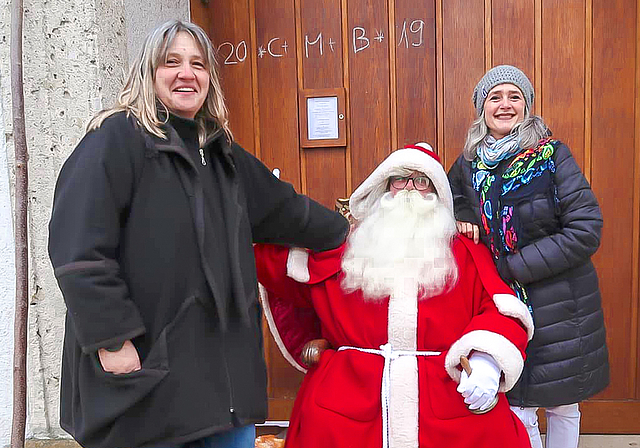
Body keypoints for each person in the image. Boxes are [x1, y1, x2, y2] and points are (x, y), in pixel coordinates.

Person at [48, 20, 349, 448]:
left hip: (223, 392)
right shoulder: (116, 139)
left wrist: (354, 232)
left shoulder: (221, 153)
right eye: (172, 62)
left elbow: (288, 210)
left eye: (198, 64)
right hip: (148, 385)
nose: (186, 73)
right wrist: (112, 340)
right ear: (149, 72)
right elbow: (78, 251)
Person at [254, 143, 534, 448]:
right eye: (400, 178)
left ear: (437, 192)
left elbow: (501, 309)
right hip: (353, 396)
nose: (410, 188)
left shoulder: (465, 252)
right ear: (384, 186)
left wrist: (486, 359)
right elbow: (277, 268)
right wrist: (270, 212)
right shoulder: (347, 248)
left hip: (443, 393)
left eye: (422, 180)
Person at [447, 65, 610, 448]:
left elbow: (585, 228)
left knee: (562, 405)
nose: (505, 105)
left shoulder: (551, 155)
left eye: (514, 97)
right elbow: (450, 196)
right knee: (517, 404)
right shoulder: (469, 165)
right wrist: (464, 215)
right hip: (505, 305)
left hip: (562, 303)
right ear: (481, 108)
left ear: (527, 105)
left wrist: (512, 267)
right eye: (495, 97)